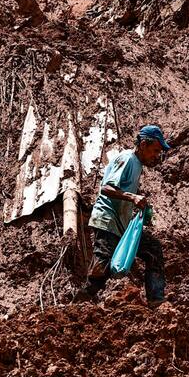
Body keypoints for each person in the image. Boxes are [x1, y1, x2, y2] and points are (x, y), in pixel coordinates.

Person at [77, 124, 171, 307]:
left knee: (153, 249)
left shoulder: (137, 164)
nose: (156, 155)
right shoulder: (127, 159)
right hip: (107, 220)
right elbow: (106, 188)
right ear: (143, 144)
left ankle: (156, 299)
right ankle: (79, 303)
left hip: (121, 224)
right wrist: (132, 197)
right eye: (155, 150)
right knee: (101, 268)